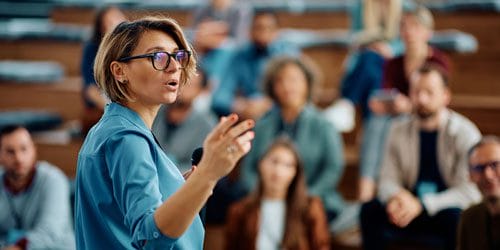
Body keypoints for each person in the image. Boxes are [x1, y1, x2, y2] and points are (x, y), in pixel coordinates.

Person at [74, 16, 255, 249]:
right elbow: (151, 237)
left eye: (178, 56)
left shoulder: (112, 127)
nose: (174, 66)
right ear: (120, 71)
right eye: (157, 56)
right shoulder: (126, 138)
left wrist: (180, 186)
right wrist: (208, 174)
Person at [360, 62, 482, 250]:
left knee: (457, 218)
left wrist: (422, 204)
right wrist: (397, 196)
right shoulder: (396, 129)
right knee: (370, 211)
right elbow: (386, 179)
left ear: (445, 96)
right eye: (416, 92)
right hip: (407, 208)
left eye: (429, 92)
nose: (422, 99)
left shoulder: (465, 133)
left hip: (442, 209)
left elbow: (469, 191)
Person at [358, 5, 451, 201]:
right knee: (377, 121)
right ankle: (366, 190)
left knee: (383, 124)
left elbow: (438, 100)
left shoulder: (438, 61)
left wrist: (409, 105)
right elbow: (387, 93)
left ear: (428, 32)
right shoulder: (393, 63)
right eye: (404, 26)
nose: (408, 32)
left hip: (425, 114)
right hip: (397, 116)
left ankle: (370, 191)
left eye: (415, 26)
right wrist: (382, 103)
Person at [241, 56, 345, 223]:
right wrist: (263, 195)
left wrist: (304, 197)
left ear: (307, 83)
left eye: (294, 80)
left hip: (311, 200)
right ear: (272, 88)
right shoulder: (262, 126)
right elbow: (248, 170)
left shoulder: (324, 125)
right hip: (265, 201)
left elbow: (332, 169)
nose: (287, 86)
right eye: (280, 81)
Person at [226, 137, 330, 250]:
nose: (278, 170)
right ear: (261, 164)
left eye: (288, 165)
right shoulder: (240, 210)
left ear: (295, 173)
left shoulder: (310, 207)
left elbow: (321, 246)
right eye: (274, 161)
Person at [211, 11, 300, 120]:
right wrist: (239, 106)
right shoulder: (240, 56)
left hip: (278, 113)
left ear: (276, 32)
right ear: (250, 31)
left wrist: (268, 103)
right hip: (247, 115)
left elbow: (296, 92)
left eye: (269, 28)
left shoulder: (287, 55)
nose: (263, 33)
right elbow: (220, 97)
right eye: (258, 28)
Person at [0, 125, 75, 250]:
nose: (18, 158)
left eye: (24, 149)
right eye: (10, 151)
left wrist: (16, 247)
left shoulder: (54, 179)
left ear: (34, 150)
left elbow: (50, 231)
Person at [152, 69, 217, 173]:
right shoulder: (155, 110)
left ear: (200, 91)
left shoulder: (206, 124)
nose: (184, 88)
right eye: (182, 82)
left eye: (191, 85)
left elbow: (199, 165)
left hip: (181, 182)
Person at [80, 6, 127, 135]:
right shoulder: (92, 49)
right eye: (110, 22)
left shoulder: (131, 47)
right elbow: (90, 90)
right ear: (101, 30)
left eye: (118, 19)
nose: (117, 25)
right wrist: (114, 109)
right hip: (104, 108)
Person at [457, 136, 500, 250]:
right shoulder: (469, 218)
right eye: (479, 168)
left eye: (495, 165)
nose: (488, 175)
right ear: (470, 176)